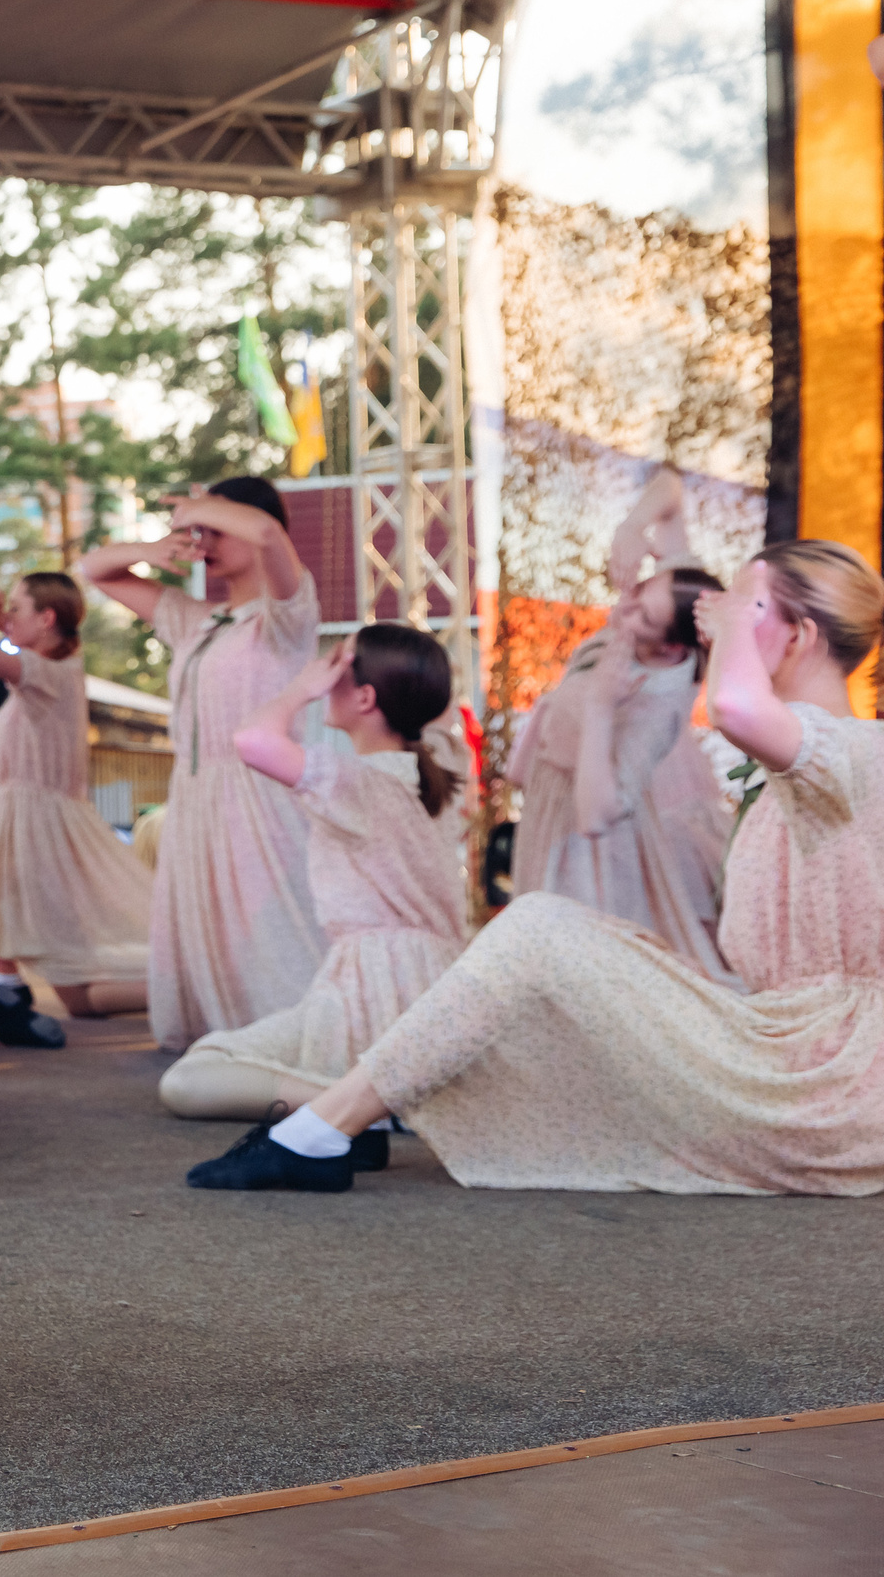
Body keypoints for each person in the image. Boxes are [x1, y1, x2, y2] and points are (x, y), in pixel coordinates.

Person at [189, 542, 884, 1195]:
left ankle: (317, 1133)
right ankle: (337, 1121)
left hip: (826, 1086)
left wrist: (726, 625)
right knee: (546, 944)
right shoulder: (799, 772)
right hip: (781, 1048)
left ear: (800, 637)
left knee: (540, 928)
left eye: (745, 604)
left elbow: (733, 705)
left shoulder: (857, 751)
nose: (717, 616)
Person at [158, 625, 468, 1128]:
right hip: (413, 981)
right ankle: (373, 1105)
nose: (325, 674)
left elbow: (252, 740)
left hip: (377, 986)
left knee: (190, 1080)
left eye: (338, 667)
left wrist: (301, 687)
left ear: (366, 697)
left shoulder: (360, 783)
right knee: (201, 1065)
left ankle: (367, 1108)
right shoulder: (420, 774)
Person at [79, 480, 325, 1051]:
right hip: (195, 794)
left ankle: (293, 1042)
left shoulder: (286, 613)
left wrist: (198, 506)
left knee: (268, 928)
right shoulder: (198, 619)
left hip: (260, 797)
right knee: (209, 923)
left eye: (216, 529)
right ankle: (224, 1046)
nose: (203, 542)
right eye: (197, 532)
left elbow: (267, 531)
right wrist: (150, 549)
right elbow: (94, 570)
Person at [507, 470, 733, 979]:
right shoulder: (673, 600)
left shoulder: (658, 708)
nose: (624, 608)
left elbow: (597, 815)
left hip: (591, 837)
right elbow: (669, 488)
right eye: (641, 591)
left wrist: (599, 708)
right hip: (556, 800)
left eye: (643, 616)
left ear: (671, 647)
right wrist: (631, 526)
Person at [0, 572, 152, 1028]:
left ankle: (182, 989)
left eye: (17, 608)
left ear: (46, 618)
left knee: (77, 991)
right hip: (25, 818)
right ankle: (5, 983)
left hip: (40, 825)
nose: (9, 617)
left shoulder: (53, 672)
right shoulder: (42, 674)